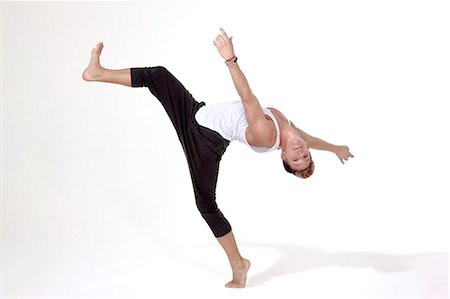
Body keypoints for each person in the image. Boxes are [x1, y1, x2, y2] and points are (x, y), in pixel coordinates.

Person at [82, 28, 354, 288]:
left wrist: (230, 60)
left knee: (205, 204)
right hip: (199, 115)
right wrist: (335, 148)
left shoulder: (268, 133)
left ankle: (239, 265)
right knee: (159, 75)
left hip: (203, 138)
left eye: (297, 160)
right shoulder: (293, 132)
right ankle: (97, 72)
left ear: (282, 156)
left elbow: (247, 97)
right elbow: (313, 140)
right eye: (305, 155)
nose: (301, 153)